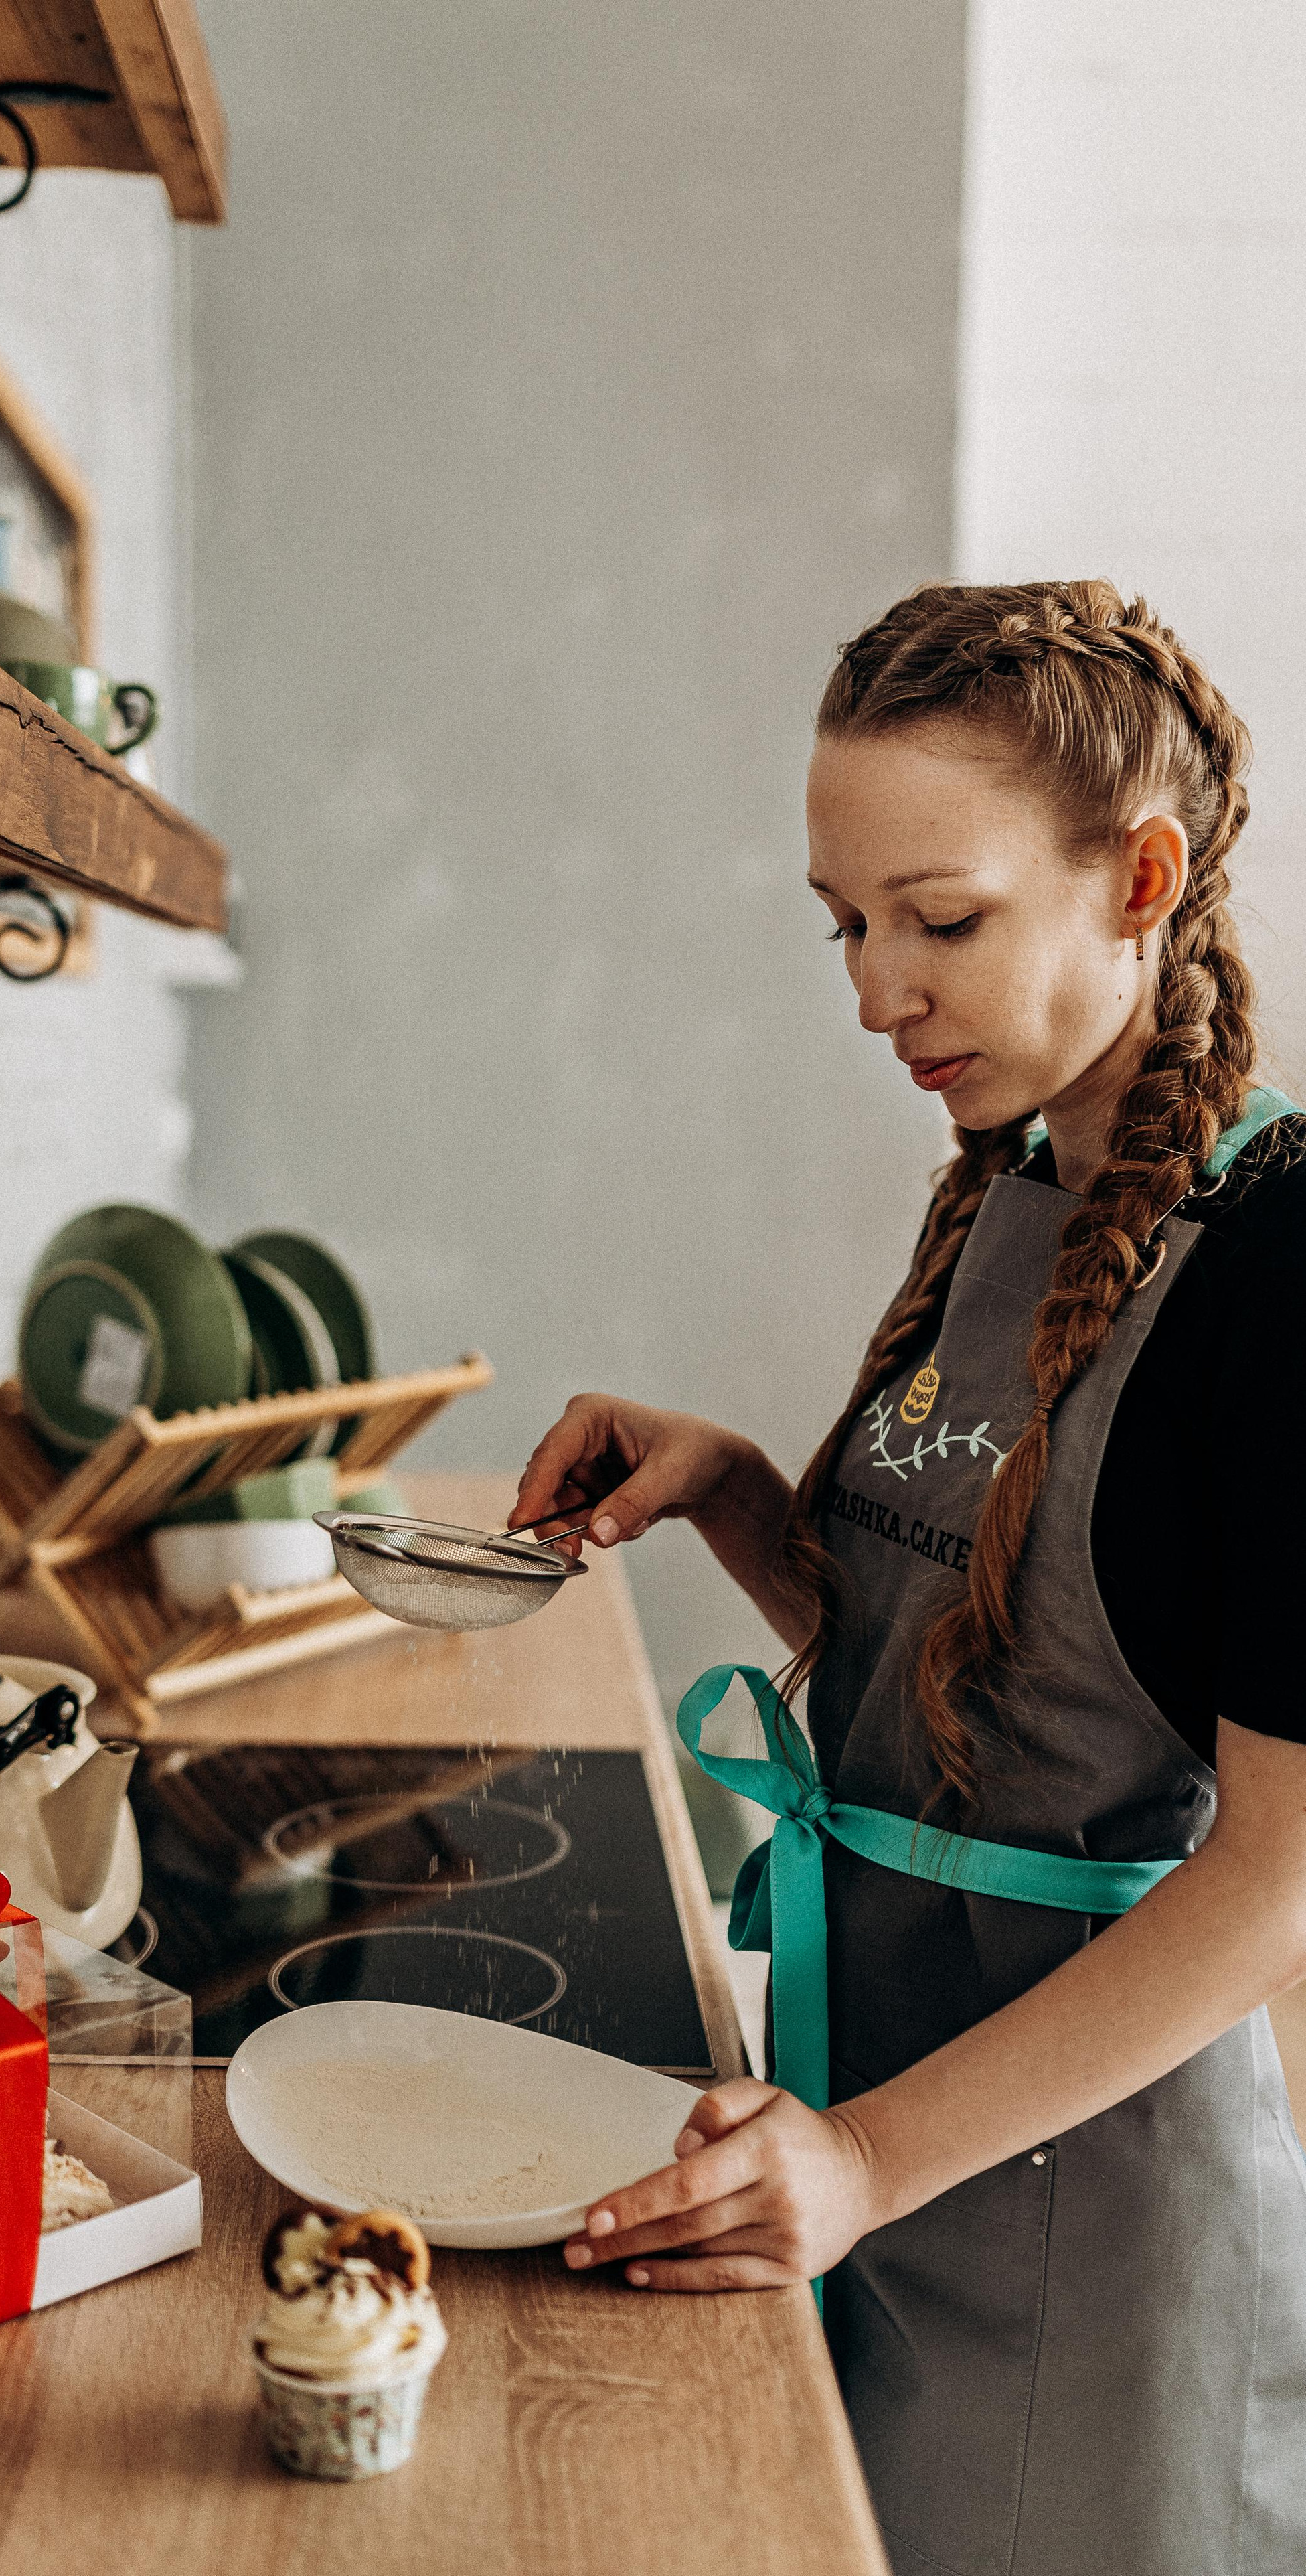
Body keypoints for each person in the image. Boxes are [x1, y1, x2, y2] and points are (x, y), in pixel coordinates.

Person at [512, 582, 1306, 2576]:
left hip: (1084, 2221)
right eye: (845, 923)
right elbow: (1006, 1693)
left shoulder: (1285, 1277)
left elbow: (1283, 1873)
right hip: (866, 2127)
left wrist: (868, 2160)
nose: (877, 990)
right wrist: (747, 1504)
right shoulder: (1020, 1183)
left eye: (938, 920)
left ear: (1138, 880)